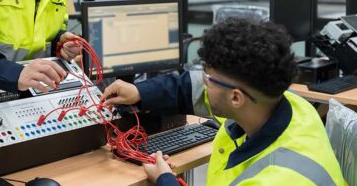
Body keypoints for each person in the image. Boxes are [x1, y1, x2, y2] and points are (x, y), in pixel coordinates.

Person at [101, 18, 345, 186]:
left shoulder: (276, 178)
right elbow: (190, 89)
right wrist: (139, 92)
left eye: (209, 78)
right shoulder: (285, 104)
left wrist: (167, 180)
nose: (203, 83)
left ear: (236, 97)